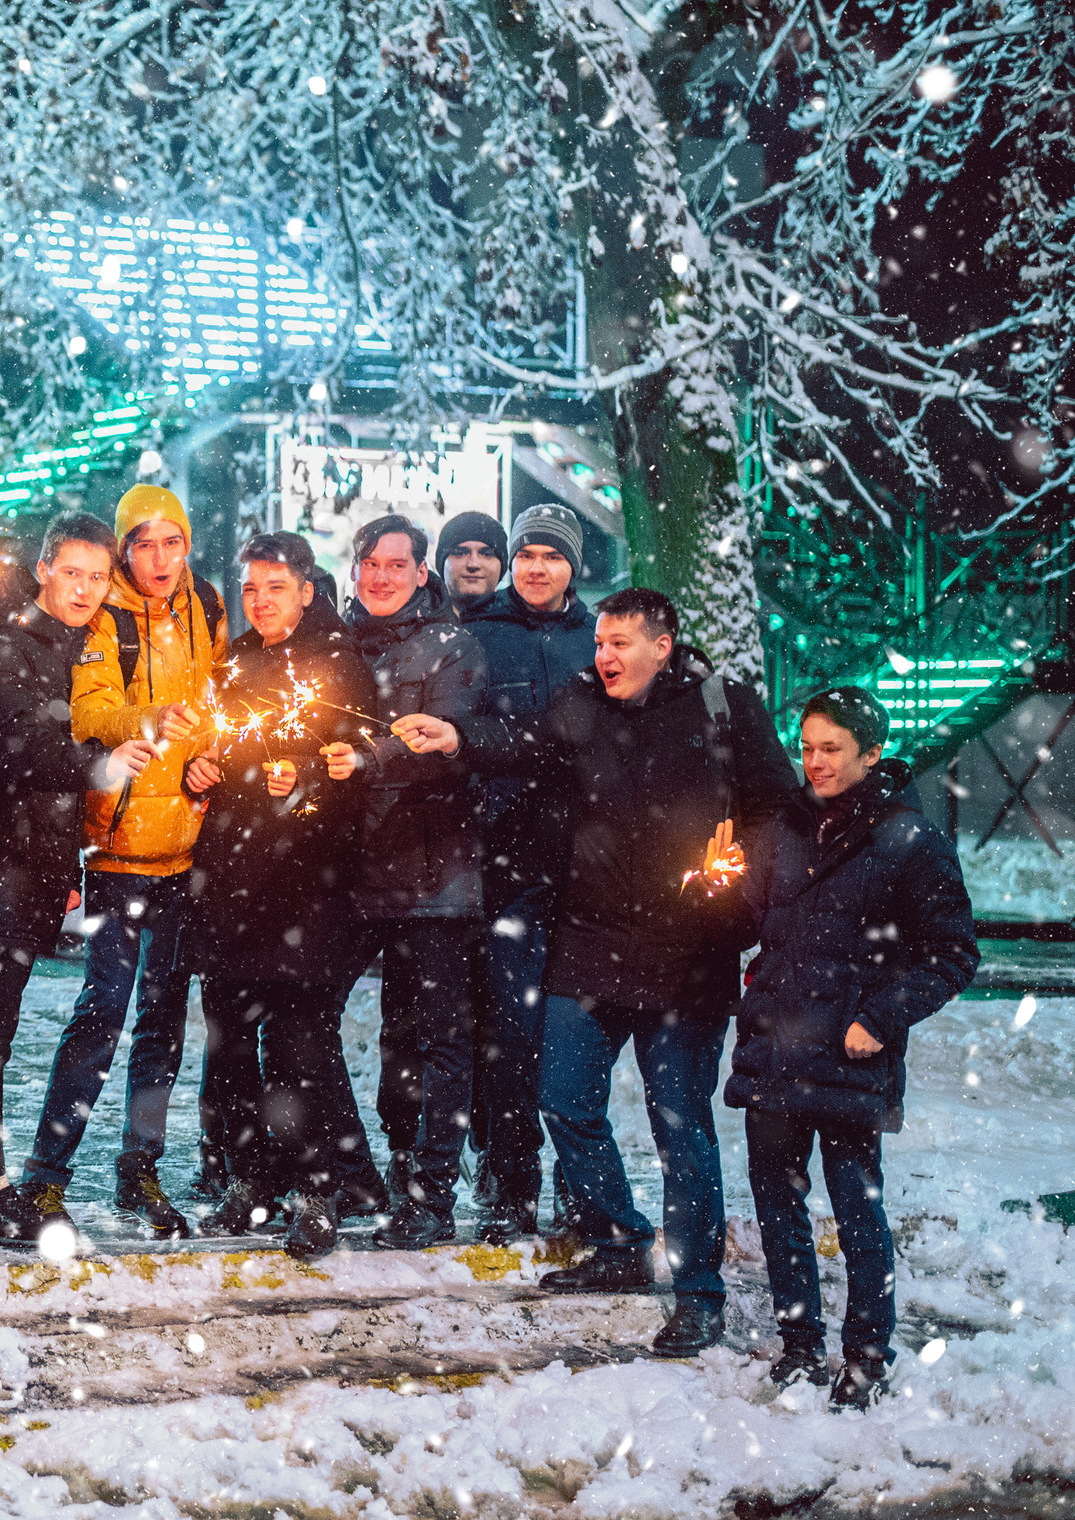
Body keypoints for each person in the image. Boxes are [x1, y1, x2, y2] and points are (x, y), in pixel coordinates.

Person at [392, 586, 798, 1358]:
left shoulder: (722, 705)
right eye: (601, 642)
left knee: (682, 1128)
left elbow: (776, 806)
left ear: (663, 643)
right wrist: (453, 736)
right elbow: (517, 740)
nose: (603, 656)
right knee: (564, 1098)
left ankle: (699, 1291)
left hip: (690, 950)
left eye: (619, 644)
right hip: (591, 942)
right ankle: (617, 1238)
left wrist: (744, 877)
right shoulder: (583, 703)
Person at [726, 687, 976, 1409]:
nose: (815, 762)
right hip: (775, 1049)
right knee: (778, 1207)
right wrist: (715, 889)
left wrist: (881, 1017)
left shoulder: (907, 839)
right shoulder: (784, 828)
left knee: (857, 1213)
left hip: (849, 1055)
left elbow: (953, 953)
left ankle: (867, 1354)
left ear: (871, 752)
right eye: (806, 747)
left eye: (831, 748)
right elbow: (753, 917)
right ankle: (799, 1345)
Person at [0, 515, 153, 1244]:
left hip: (30, 863)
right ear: (44, 569)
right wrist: (102, 764)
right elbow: (22, 750)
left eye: (97, 576)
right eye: (72, 573)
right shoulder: (12, 646)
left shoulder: (71, 646)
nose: (85, 588)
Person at [12, 485, 217, 1237]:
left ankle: (142, 1170)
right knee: (102, 1011)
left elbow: (218, 704)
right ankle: (46, 1174)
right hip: (119, 849)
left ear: (187, 545)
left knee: (163, 1017)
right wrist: (148, 719)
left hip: (186, 850)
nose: (158, 558)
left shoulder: (208, 611)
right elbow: (86, 708)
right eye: (144, 543)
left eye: (172, 542)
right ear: (125, 549)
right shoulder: (106, 615)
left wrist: (209, 758)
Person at [186, 535, 382, 1255]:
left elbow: (358, 764)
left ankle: (316, 1187)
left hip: (307, 885)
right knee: (229, 1040)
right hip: (233, 878)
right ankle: (250, 1180)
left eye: (276, 585)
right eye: (251, 586)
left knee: (299, 1043)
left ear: (308, 589)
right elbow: (216, 744)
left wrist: (306, 778)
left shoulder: (341, 661)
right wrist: (201, 770)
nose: (261, 599)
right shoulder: (235, 659)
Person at [323, 514, 489, 1249]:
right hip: (349, 871)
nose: (381, 576)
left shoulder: (452, 645)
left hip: (433, 871)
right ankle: (360, 1167)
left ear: (423, 573)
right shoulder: (336, 643)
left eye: (397, 564)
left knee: (435, 1037)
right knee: (303, 1009)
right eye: (370, 563)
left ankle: (431, 1190)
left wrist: (367, 758)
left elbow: (442, 739)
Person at [456, 503, 593, 1240]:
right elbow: (460, 732)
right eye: (529, 554)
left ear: (573, 566)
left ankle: (579, 1186)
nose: (538, 567)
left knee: (574, 1035)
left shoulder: (597, 638)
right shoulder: (482, 632)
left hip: (584, 865)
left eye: (553, 556)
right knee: (507, 1030)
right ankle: (509, 1179)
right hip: (503, 861)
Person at [436, 512, 506, 606]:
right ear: (441, 563)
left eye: (487, 554)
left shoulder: (520, 619)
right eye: (459, 553)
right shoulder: (418, 617)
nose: (473, 564)